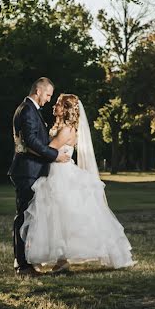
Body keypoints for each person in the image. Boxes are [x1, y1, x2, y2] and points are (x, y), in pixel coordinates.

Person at [20, 94, 135, 271]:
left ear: (65, 109)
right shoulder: (63, 128)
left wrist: (26, 148)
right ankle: (61, 260)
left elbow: (48, 151)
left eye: (58, 104)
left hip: (60, 176)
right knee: (59, 218)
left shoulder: (66, 130)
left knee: (62, 217)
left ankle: (62, 259)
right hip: (57, 173)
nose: (54, 106)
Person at [8, 78, 71, 276]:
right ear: (38, 90)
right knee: (24, 216)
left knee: (30, 217)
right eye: (48, 95)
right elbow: (32, 142)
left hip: (32, 169)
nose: (49, 99)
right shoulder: (27, 110)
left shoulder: (31, 110)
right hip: (27, 171)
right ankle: (22, 265)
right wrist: (56, 155)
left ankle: (28, 260)